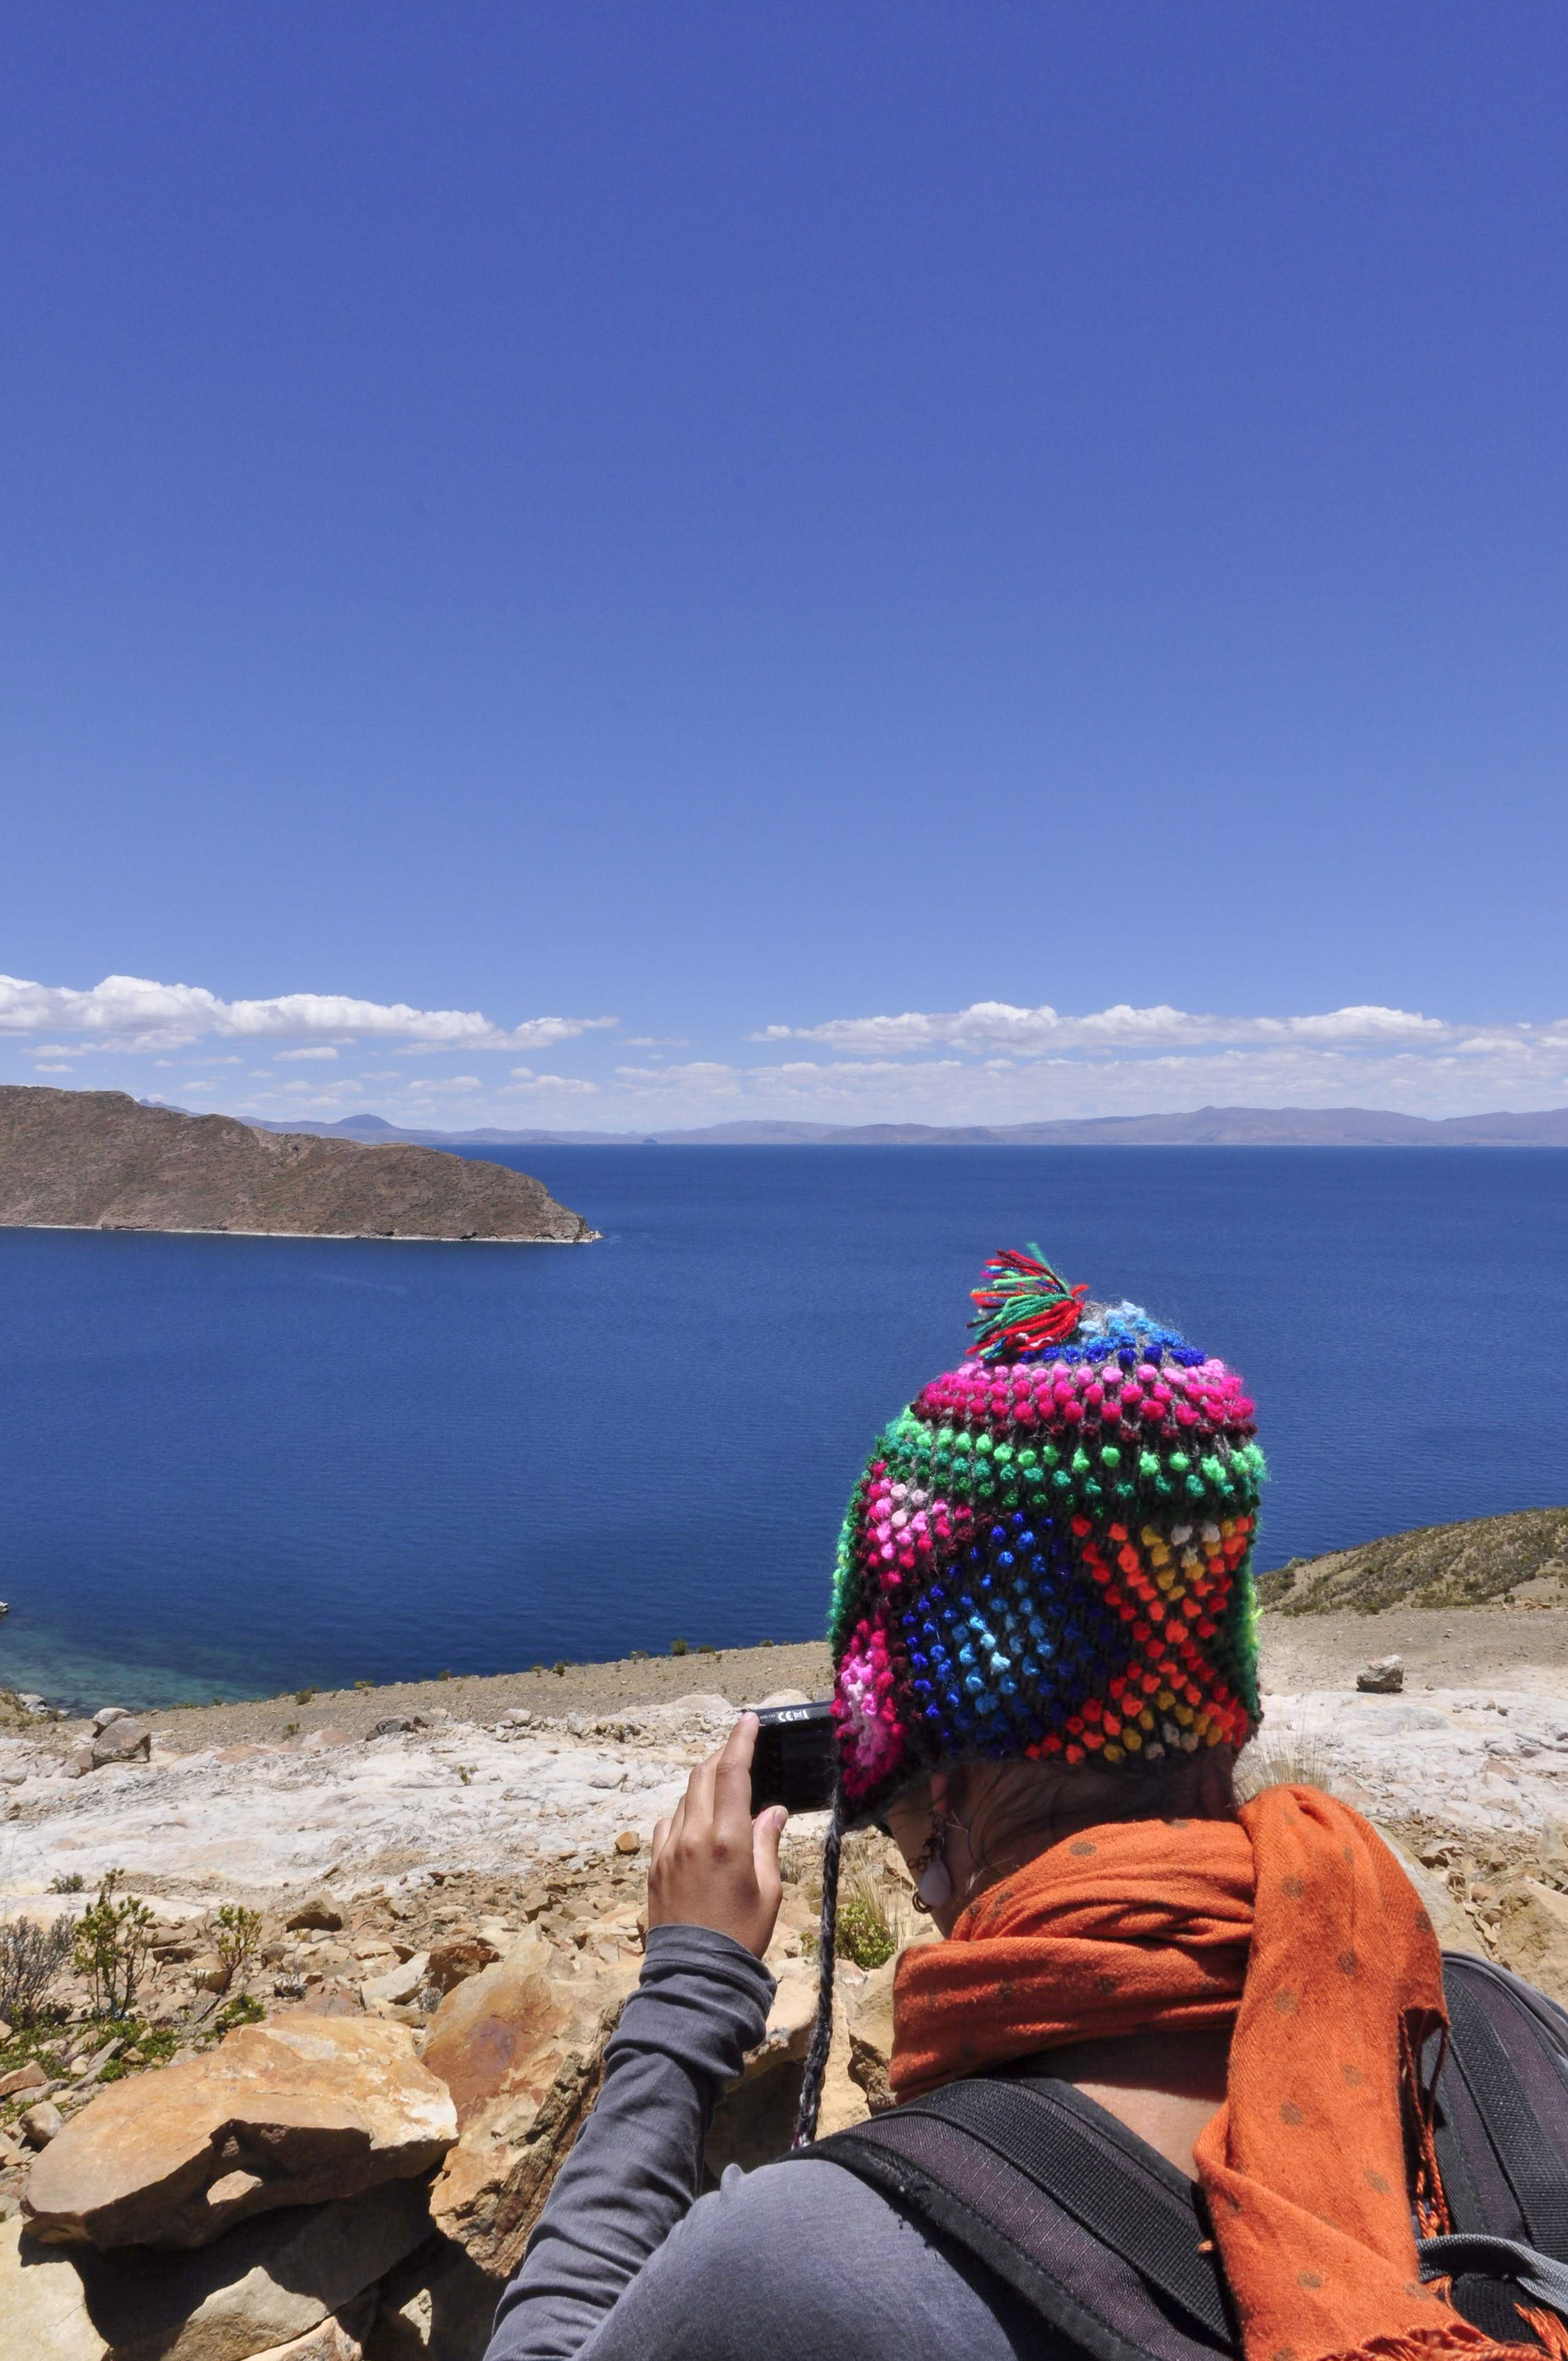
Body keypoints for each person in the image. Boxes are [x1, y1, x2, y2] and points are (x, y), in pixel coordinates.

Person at [484, 1250, 1549, 2361]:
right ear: (1221, 1698)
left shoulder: (815, 2267)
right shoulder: (1503, 2038)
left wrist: (689, 1989)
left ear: (935, 1773)